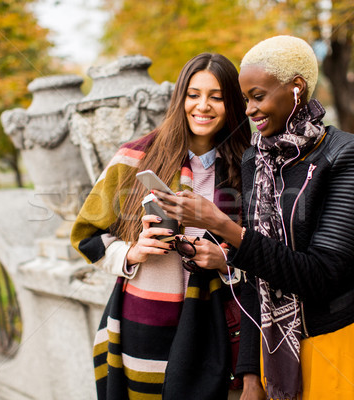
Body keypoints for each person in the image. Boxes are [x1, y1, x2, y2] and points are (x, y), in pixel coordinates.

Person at [154, 35, 354, 400]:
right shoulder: (255, 159)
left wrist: (222, 225)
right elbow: (252, 281)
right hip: (270, 349)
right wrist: (249, 376)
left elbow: (323, 273)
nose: (248, 110)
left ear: (296, 88)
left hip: (334, 343)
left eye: (258, 96)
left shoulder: (349, 154)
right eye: (246, 99)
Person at [71, 52, 252, 399]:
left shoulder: (249, 165)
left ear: (231, 102)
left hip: (221, 321)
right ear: (180, 98)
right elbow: (85, 235)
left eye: (216, 96)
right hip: (148, 317)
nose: (203, 106)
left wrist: (225, 259)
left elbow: (262, 246)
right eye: (194, 94)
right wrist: (133, 251)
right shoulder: (135, 157)